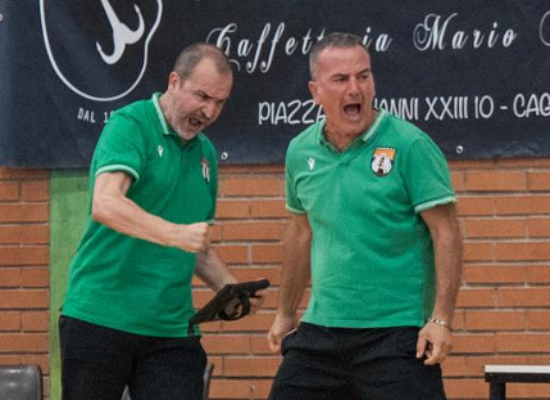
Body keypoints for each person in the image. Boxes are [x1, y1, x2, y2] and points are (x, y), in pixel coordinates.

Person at [59, 43, 265, 400]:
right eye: (202, 96)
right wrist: (174, 234)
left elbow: (196, 247)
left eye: (220, 102)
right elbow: (106, 203)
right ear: (174, 82)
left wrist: (232, 291)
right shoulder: (131, 124)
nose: (209, 111)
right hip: (100, 316)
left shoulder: (206, 154)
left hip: (171, 327)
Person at [267, 33, 463, 400]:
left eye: (363, 76)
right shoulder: (300, 151)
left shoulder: (411, 145)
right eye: (341, 79)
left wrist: (440, 320)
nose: (355, 89)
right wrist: (284, 312)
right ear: (315, 91)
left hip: (397, 332)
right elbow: (301, 232)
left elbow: (446, 233)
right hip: (321, 330)